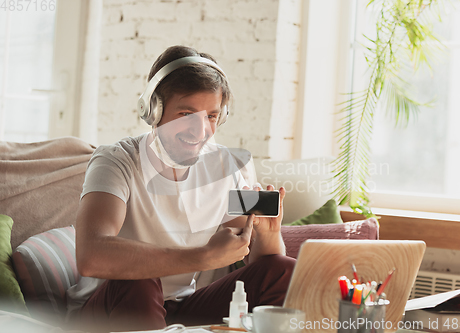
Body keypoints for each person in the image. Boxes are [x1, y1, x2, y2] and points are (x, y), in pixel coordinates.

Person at [68, 45, 296, 332]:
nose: (199, 132)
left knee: (282, 269)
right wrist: (204, 256)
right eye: (186, 114)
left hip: (178, 307)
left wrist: (269, 234)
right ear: (153, 110)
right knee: (140, 279)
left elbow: (262, 262)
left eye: (211, 116)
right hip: (108, 308)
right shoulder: (116, 161)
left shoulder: (225, 166)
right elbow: (91, 255)